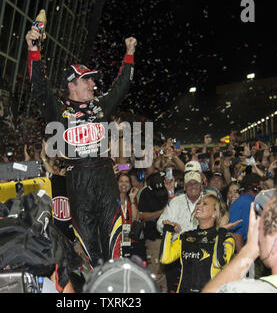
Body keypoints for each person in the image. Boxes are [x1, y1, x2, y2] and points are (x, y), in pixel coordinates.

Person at [26, 21, 137, 268]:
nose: (92, 84)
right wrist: (33, 49)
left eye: (92, 80)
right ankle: (93, 283)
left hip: (105, 177)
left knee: (114, 238)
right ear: (71, 85)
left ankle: (117, 282)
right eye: (86, 80)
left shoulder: (100, 105)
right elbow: (40, 88)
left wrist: (129, 54)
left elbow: (122, 86)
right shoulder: (59, 112)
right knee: (88, 246)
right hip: (77, 180)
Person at [202, 186, 277, 293]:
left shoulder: (258, 289)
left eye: (260, 228)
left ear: (274, 242)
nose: (259, 237)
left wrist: (249, 250)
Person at [160, 194, 237, 293]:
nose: (198, 206)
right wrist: (168, 231)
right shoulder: (185, 236)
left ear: (215, 213)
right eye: (198, 203)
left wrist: (222, 231)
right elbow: (165, 258)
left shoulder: (226, 238)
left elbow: (218, 262)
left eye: (205, 204)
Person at [156, 170, 204, 292]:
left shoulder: (208, 201)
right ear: (184, 187)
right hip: (177, 255)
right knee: (175, 288)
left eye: (195, 183)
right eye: (189, 184)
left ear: (201, 186)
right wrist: (170, 226)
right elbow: (159, 223)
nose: (192, 186)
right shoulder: (176, 201)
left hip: (202, 255)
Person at [229, 172, 268, 253]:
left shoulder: (255, 202)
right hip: (244, 252)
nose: (264, 189)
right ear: (255, 188)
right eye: (261, 187)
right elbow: (236, 235)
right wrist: (243, 260)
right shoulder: (243, 203)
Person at [117, 174, 138, 258]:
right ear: (116, 183)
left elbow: (134, 219)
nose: (124, 184)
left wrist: (132, 199)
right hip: (116, 241)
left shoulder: (132, 199)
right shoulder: (111, 199)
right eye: (121, 181)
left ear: (130, 185)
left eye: (126, 182)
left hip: (129, 239)